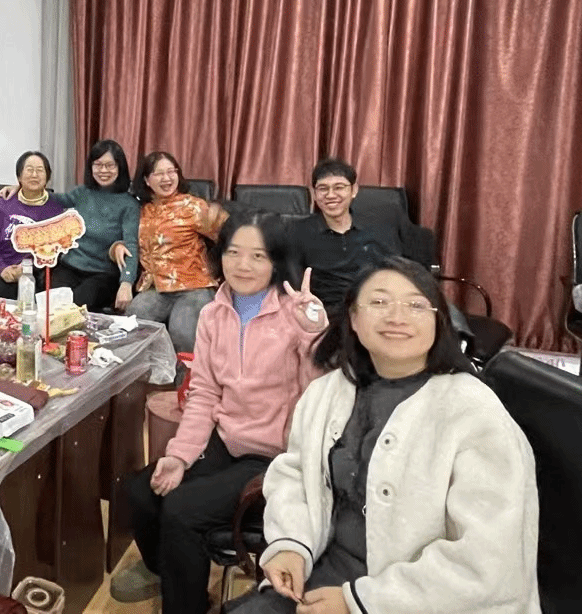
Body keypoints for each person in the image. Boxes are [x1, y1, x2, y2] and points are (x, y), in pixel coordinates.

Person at [226, 256, 540, 614]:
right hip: (321, 579)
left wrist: (359, 601)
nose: (396, 316)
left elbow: (489, 559)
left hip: (424, 601)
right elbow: (297, 475)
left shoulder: (474, 411)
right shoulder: (327, 392)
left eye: (416, 305)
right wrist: (289, 545)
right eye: (378, 302)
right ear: (354, 319)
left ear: (438, 321)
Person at [111, 210, 328, 614]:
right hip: (226, 441)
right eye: (233, 252)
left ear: (277, 261)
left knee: (181, 511)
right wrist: (179, 456)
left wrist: (314, 334)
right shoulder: (213, 313)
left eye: (258, 256)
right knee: (142, 491)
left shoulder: (295, 313)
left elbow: (321, 392)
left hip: (274, 456)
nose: (243, 265)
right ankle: (170, 571)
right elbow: (205, 393)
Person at [0, 139, 140, 311]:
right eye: (98, 165)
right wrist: (23, 188)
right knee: (48, 305)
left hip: (102, 274)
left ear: (120, 167)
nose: (103, 170)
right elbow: (52, 200)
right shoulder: (82, 193)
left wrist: (126, 283)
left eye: (110, 165)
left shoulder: (129, 204)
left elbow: (131, 246)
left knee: (72, 309)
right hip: (69, 267)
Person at [122, 151, 228, 353]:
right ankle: (147, 372)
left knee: (182, 335)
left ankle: (189, 374)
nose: (167, 178)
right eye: (159, 173)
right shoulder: (140, 210)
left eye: (171, 172)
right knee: (132, 325)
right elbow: (129, 240)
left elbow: (230, 235)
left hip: (193, 286)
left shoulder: (192, 206)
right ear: (146, 180)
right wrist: (117, 246)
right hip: (155, 288)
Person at [287, 158, 417, 310]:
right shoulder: (297, 232)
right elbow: (291, 282)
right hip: (324, 311)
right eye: (323, 188)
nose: (330, 195)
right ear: (314, 194)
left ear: (354, 190)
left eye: (339, 187)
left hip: (373, 308)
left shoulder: (380, 228)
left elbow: (398, 273)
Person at [0, 151, 66, 299]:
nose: (34, 175)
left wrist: (28, 268)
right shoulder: (3, 204)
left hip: (36, 273)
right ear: (19, 176)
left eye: (40, 170)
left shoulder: (55, 209)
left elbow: (56, 248)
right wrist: (2, 268)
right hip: (0, 270)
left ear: (47, 177)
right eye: (29, 170)